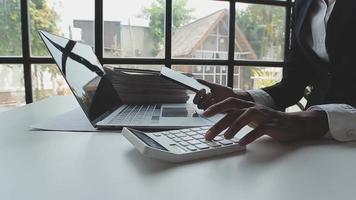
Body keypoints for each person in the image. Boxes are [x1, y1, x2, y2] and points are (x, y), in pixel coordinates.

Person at [193, 0, 356, 145]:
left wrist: (306, 122)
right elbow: (293, 84)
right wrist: (241, 97)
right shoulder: (302, 5)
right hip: (315, 140)